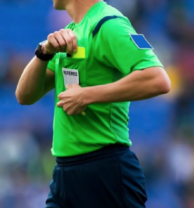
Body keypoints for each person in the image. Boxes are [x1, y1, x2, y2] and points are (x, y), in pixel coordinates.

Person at [16, 0, 171, 207]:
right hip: (65, 174)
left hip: (104, 171)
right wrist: (44, 52)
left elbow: (157, 79)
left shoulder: (109, 24)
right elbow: (25, 95)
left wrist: (87, 95)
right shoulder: (70, 33)